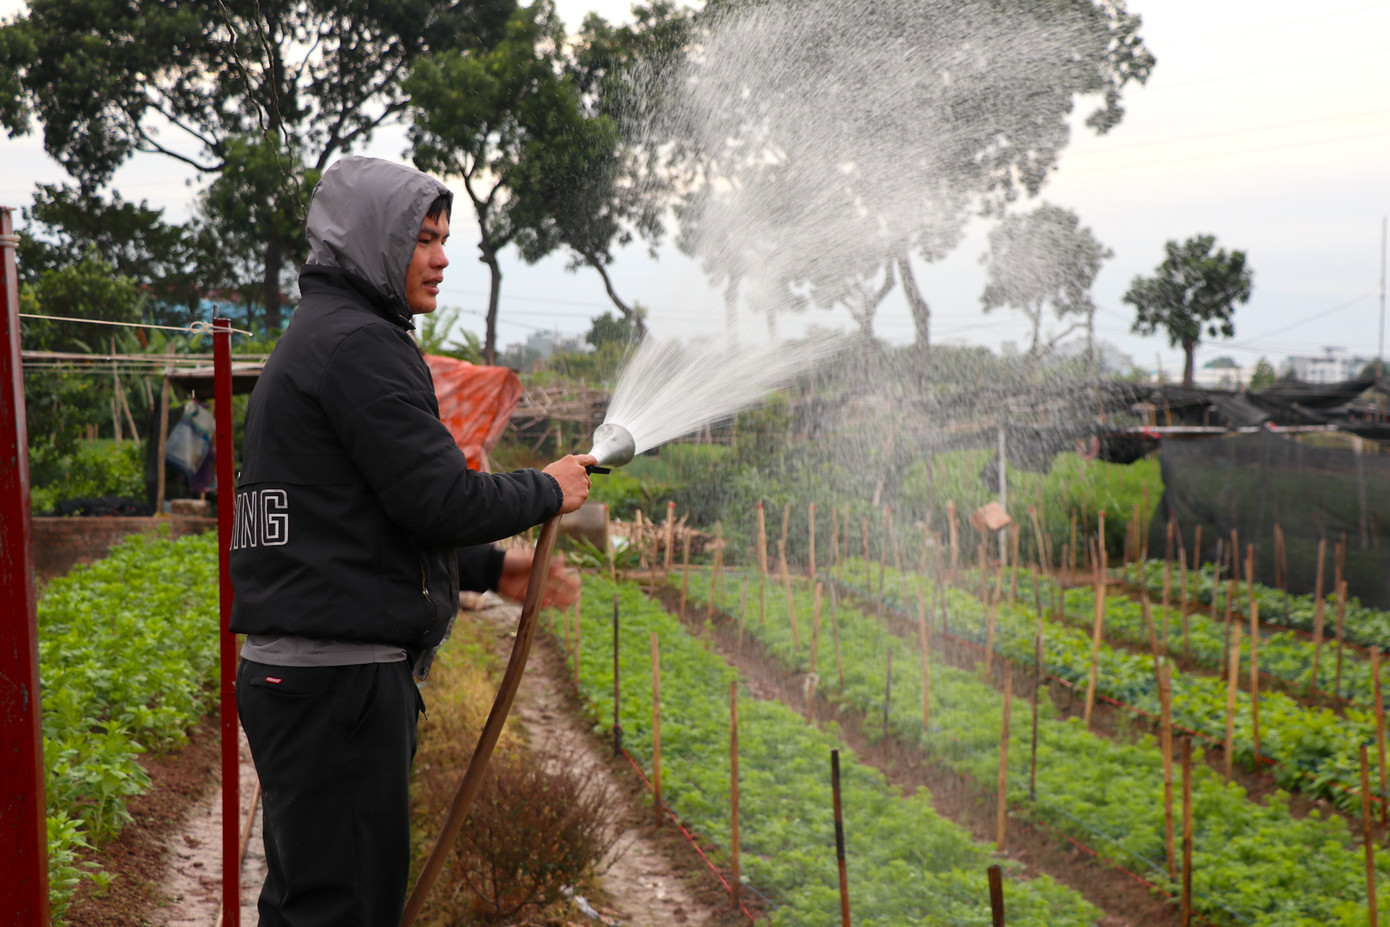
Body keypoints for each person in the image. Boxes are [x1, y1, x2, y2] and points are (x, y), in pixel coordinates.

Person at [229, 155, 596, 927]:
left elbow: (358, 519)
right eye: (423, 239)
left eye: (444, 239)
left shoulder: (316, 340)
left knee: (311, 901)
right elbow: (439, 498)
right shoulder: (362, 346)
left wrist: (489, 567)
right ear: (374, 242)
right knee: (345, 909)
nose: (441, 258)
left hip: (304, 678)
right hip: (342, 687)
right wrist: (547, 487)